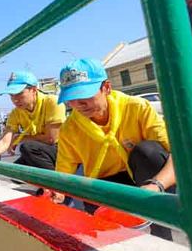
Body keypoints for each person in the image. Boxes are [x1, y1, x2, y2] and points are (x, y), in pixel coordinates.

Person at [54, 59, 176, 240]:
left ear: (106, 88)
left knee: (148, 152)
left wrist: (155, 186)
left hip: (146, 179)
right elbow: (63, 173)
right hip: (105, 183)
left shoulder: (136, 108)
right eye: (71, 98)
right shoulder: (69, 129)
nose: (78, 104)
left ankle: (161, 233)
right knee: (109, 239)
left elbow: (178, 157)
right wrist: (55, 192)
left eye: (84, 95)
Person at [0, 71, 65, 176]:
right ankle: (46, 185)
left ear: (34, 90)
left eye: (19, 94)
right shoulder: (16, 112)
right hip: (44, 150)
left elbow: (51, 139)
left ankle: (58, 185)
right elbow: (5, 141)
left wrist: (21, 138)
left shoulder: (52, 102)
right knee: (15, 173)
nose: (15, 100)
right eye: (11, 95)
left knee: (28, 147)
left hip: (62, 148)